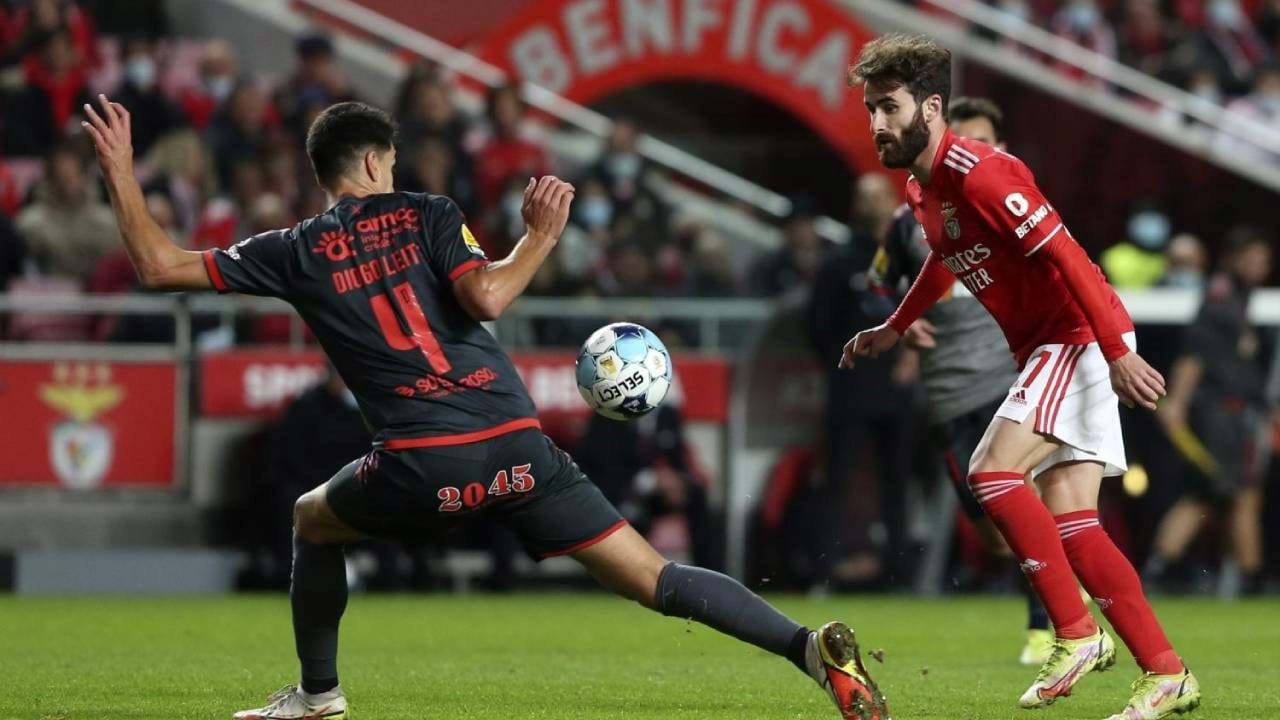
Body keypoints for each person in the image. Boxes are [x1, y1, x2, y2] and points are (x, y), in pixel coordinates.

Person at [82, 95, 889, 720]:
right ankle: (809, 651)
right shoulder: (429, 213)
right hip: (519, 447)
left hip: (422, 460)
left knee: (311, 520)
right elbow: (491, 293)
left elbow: (158, 267)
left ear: (327, 170)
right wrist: (538, 235)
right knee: (655, 577)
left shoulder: (292, 249)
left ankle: (320, 696)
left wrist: (120, 167)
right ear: (373, 158)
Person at [842, 34, 1198, 720]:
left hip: (1073, 336)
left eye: (888, 107)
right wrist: (893, 327)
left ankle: (1075, 633)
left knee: (992, 471)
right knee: (1076, 526)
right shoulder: (925, 187)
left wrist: (1118, 346)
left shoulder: (981, 172)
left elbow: (1065, 251)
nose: (877, 124)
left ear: (932, 105)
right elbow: (944, 261)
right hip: (1051, 346)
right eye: (869, 110)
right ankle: (1166, 672)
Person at [867, 96, 1052, 666]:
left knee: (1025, 499)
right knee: (996, 534)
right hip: (948, 391)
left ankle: (1049, 626)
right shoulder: (910, 221)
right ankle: (1062, 594)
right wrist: (904, 318)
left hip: (1012, 372)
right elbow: (878, 282)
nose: (974, 153)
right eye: (965, 140)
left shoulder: (1015, 203)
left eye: (985, 142)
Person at [1148, 229, 1274, 596]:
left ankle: (1162, 567)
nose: (1258, 266)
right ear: (1233, 259)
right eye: (1251, 258)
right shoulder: (1222, 300)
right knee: (1242, 493)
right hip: (1225, 414)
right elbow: (1193, 356)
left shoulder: (1243, 298)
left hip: (1232, 413)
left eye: (1262, 260)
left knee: (1206, 493)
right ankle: (1248, 579)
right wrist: (1177, 403)